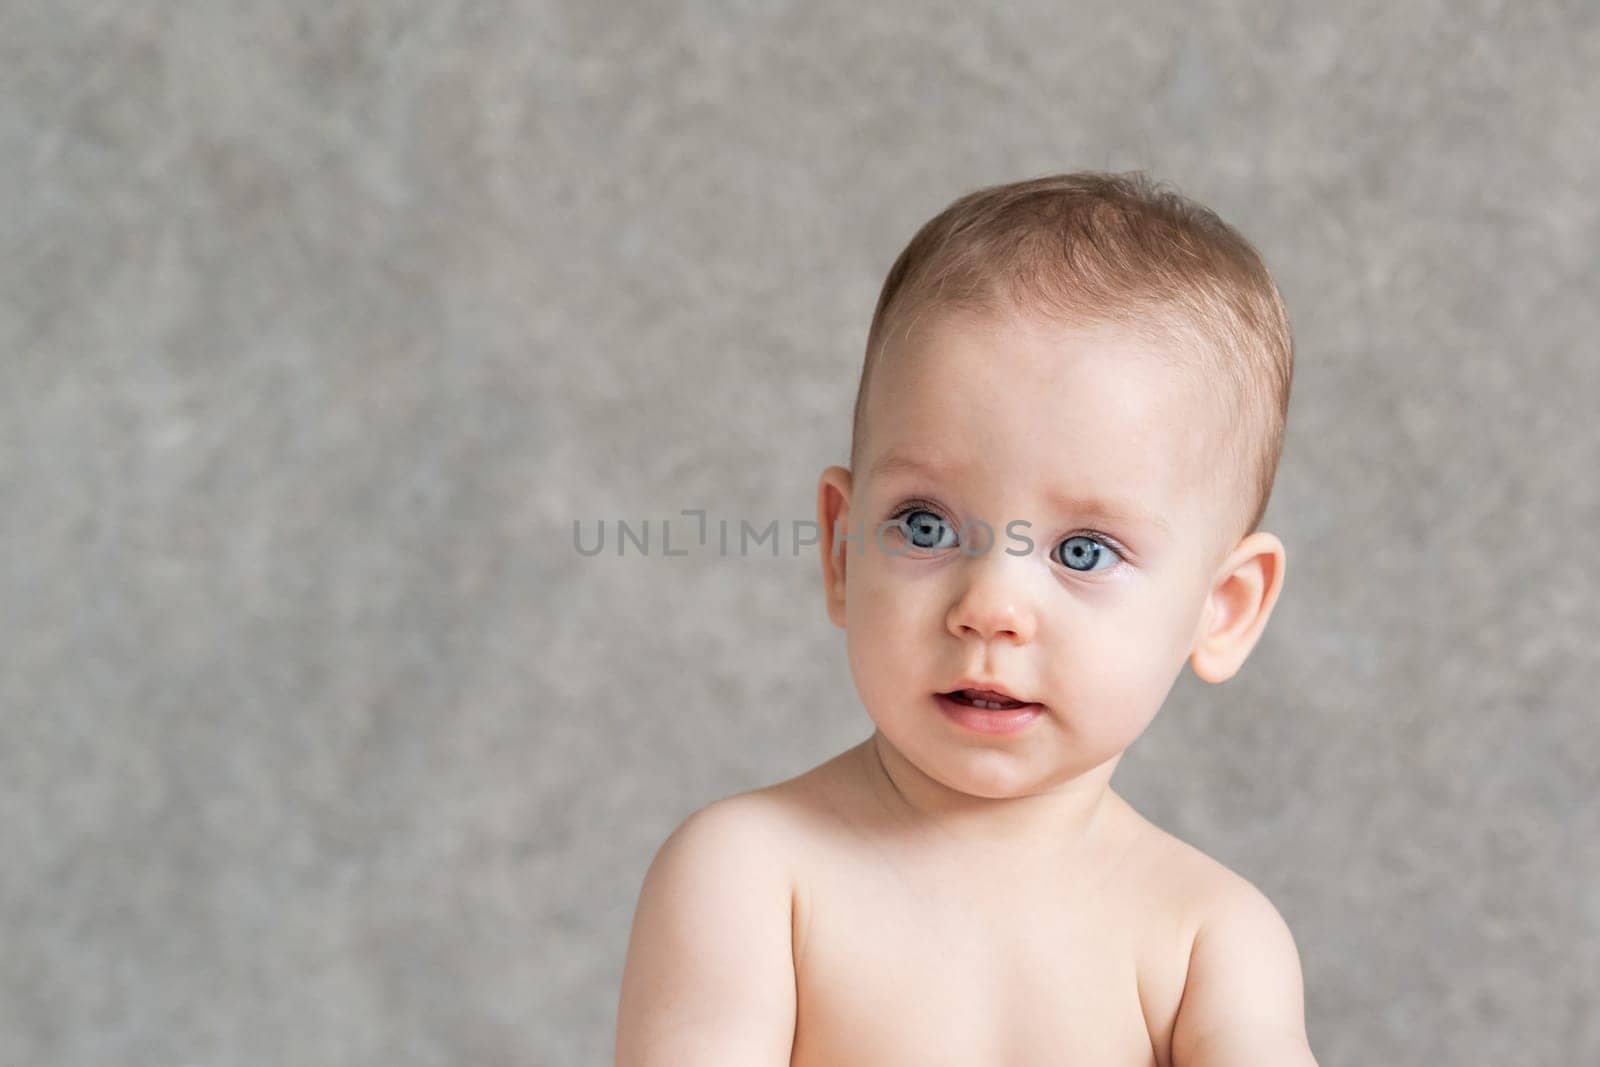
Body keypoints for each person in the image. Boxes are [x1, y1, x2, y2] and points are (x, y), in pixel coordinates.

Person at [614, 171, 1318, 1066]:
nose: (990, 606)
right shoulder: (753, 877)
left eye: (1083, 551)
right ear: (841, 549)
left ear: (1223, 608)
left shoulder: (1209, 943)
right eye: (925, 525)